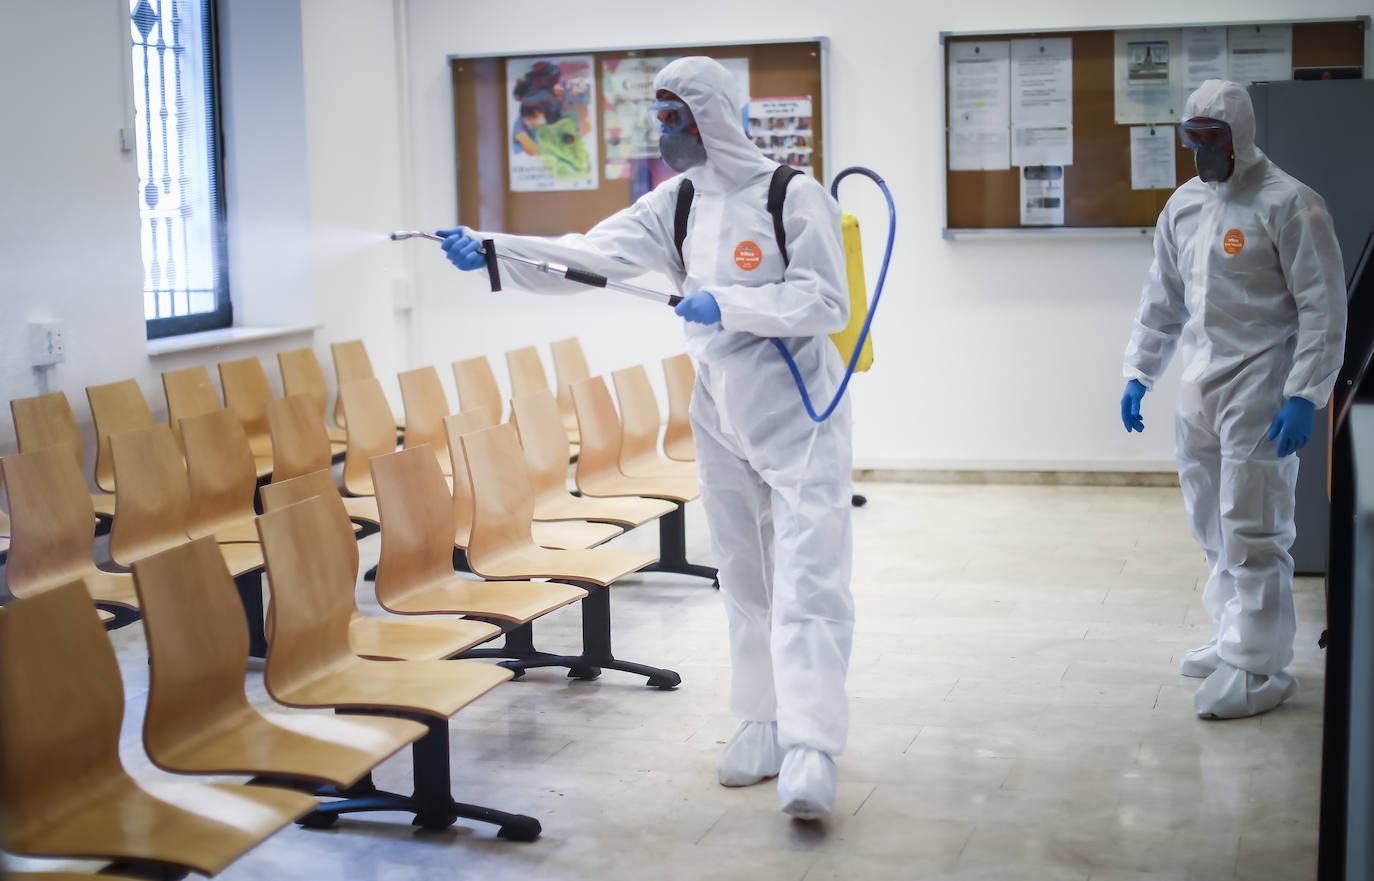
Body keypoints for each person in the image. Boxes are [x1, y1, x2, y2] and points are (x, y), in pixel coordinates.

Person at [438, 55, 854, 818]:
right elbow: (589, 257)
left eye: (673, 117)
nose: (663, 132)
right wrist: (494, 249)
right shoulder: (678, 201)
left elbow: (827, 300)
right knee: (744, 574)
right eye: (658, 118)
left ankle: (811, 745)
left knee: (809, 576)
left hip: (800, 412)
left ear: (711, 117)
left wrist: (727, 303)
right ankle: (762, 721)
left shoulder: (793, 196)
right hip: (720, 407)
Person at [1120, 79, 1346, 719]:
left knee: (1253, 527)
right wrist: (1140, 372)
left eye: (1212, 139)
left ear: (1239, 137)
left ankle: (1260, 665)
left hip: (1261, 388)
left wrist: (1304, 394)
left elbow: (1323, 307)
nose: (1201, 153)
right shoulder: (1183, 206)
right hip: (1200, 388)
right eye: (1192, 140)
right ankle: (1233, 636)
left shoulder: (1290, 203)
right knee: (1212, 526)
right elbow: (1162, 298)